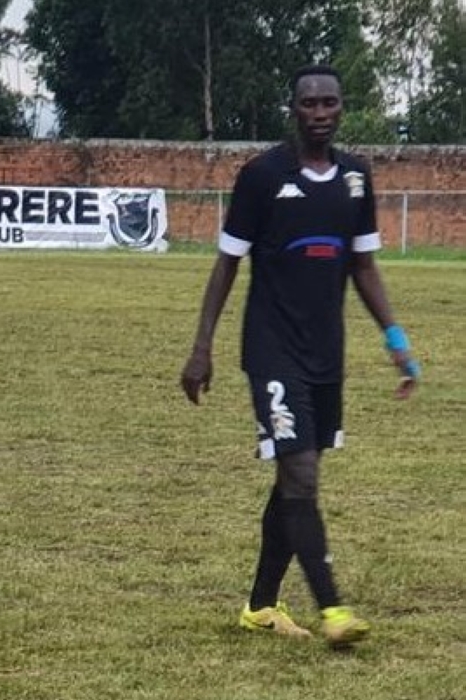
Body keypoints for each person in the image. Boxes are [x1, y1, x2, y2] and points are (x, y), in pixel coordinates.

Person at [180, 65, 421, 648]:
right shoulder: (262, 176)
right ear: (293, 108)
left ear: (342, 108)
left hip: (326, 355)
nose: (320, 112)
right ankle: (333, 609)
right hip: (271, 352)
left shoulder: (358, 179)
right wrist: (202, 346)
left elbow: (363, 266)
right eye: (309, 103)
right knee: (302, 474)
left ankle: (261, 606)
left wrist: (396, 340)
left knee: (294, 482)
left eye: (329, 102)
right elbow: (227, 263)